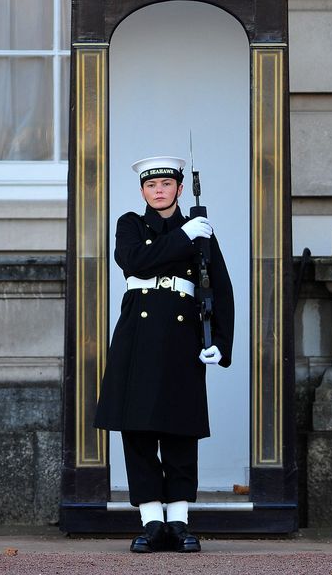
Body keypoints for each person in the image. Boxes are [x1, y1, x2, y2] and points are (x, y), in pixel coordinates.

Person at [94, 156, 234, 553]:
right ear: (143, 191)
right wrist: (184, 236)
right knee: (137, 430)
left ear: (179, 189)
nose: (159, 191)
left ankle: (179, 522)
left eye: (166, 185)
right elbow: (134, 260)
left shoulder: (201, 229)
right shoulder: (131, 225)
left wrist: (220, 343)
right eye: (151, 185)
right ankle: (151, 521)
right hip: (137, 338)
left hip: (181, 338)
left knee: (179, 430)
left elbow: (220, 290)